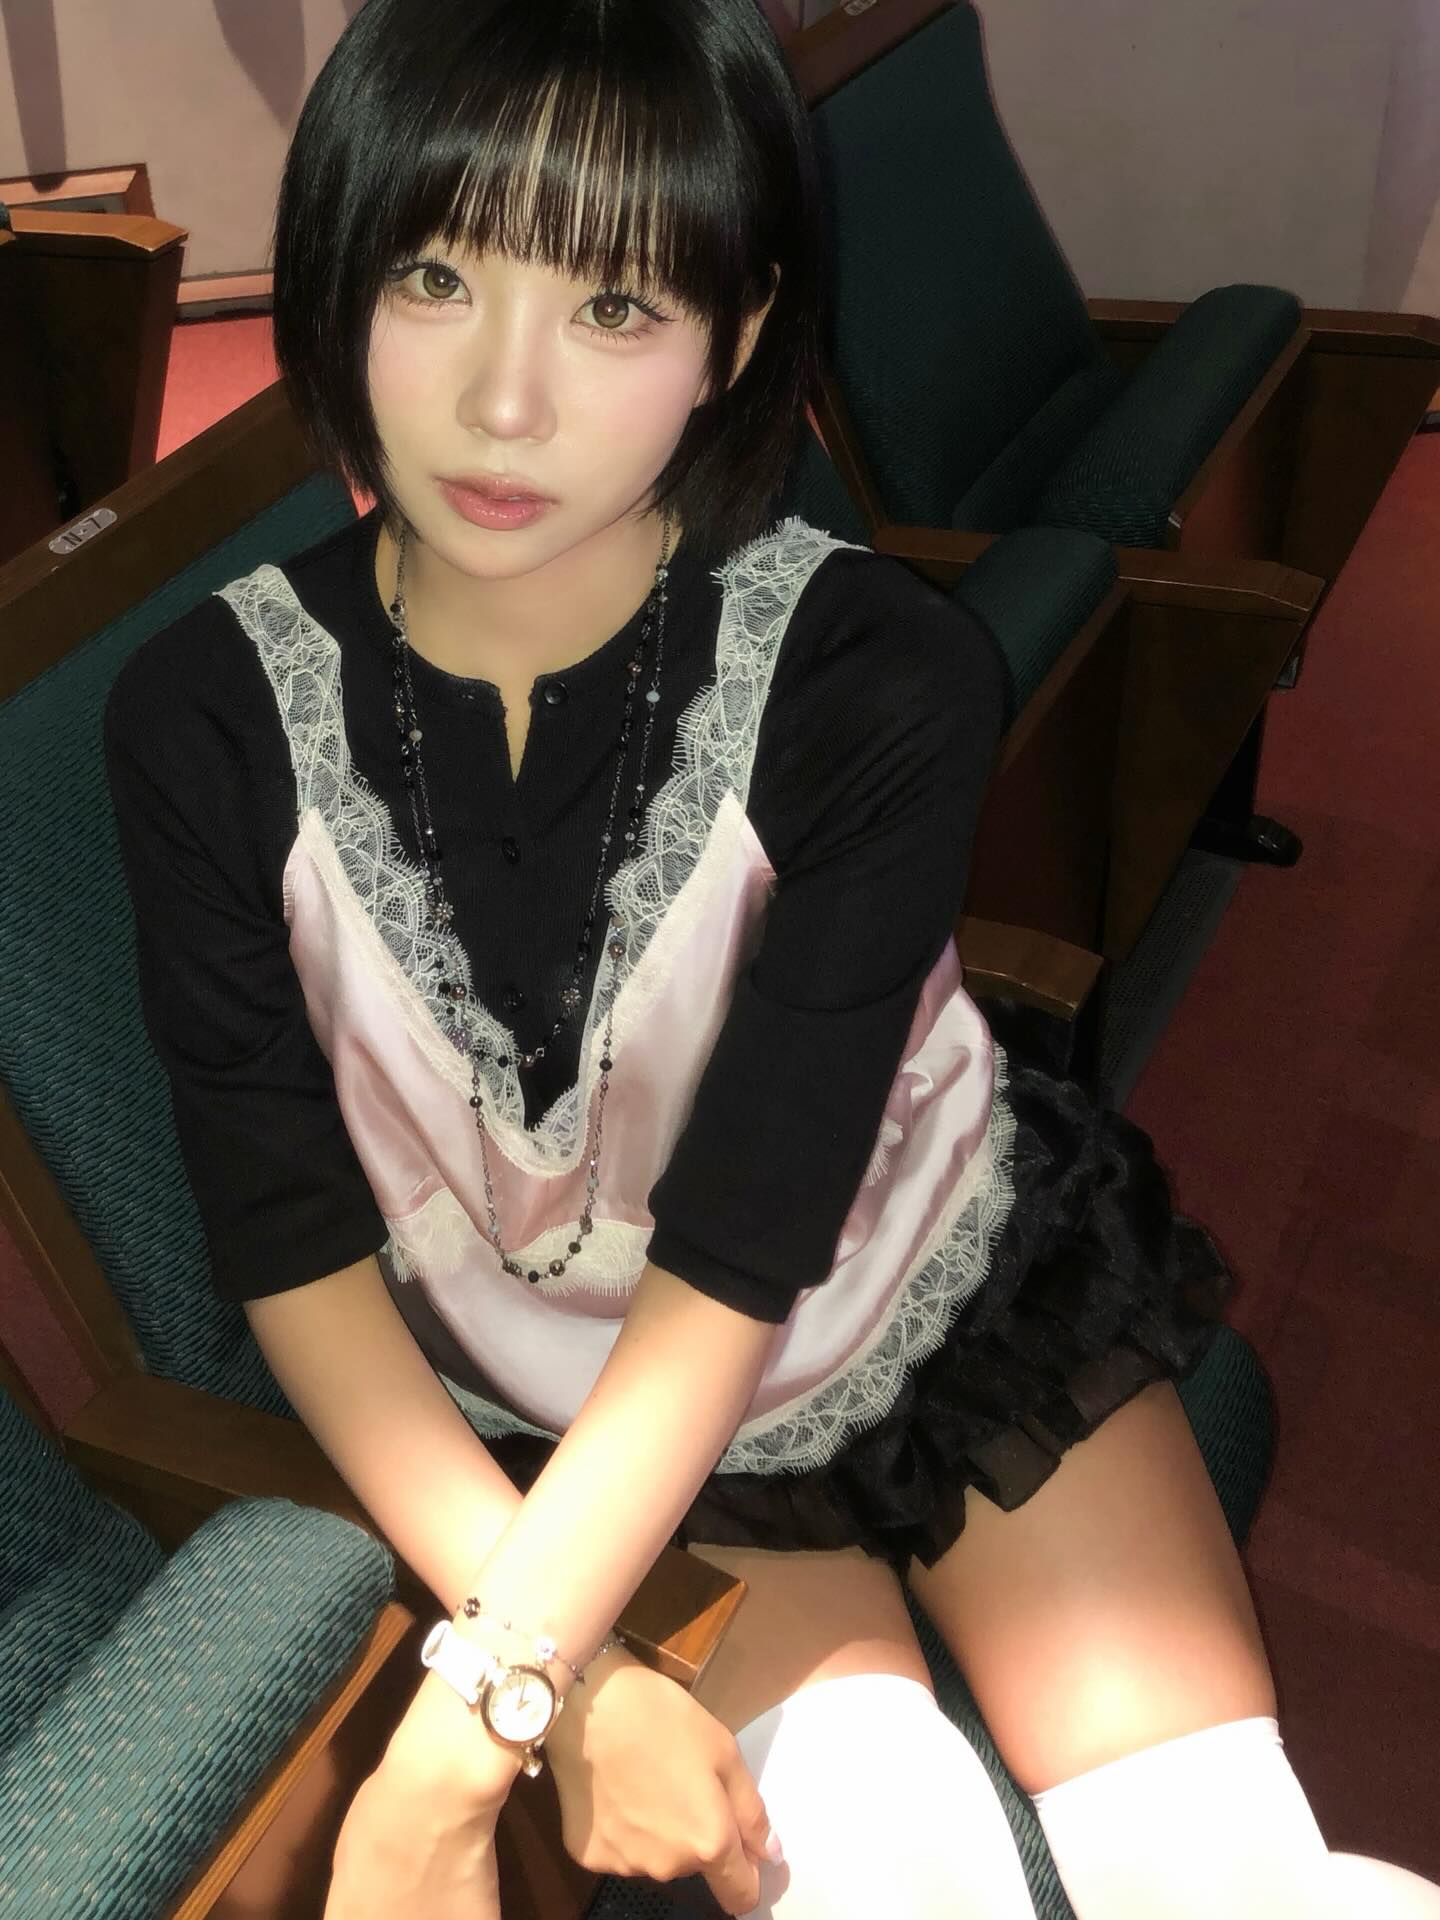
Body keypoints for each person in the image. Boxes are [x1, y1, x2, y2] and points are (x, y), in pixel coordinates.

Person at [104, 2, 1440, 1916]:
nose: (502, 403)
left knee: (1220, 1873)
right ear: (333, 276)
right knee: (899, 1880)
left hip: (926, 1295)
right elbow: (288, 1238)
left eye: (614, 308)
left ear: (734, 341)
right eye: (436, 277)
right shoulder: (202, 719)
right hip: (579, 1422)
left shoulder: (877, 680)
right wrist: (555, 1679)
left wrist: (463, 1735)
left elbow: (746, 1246)